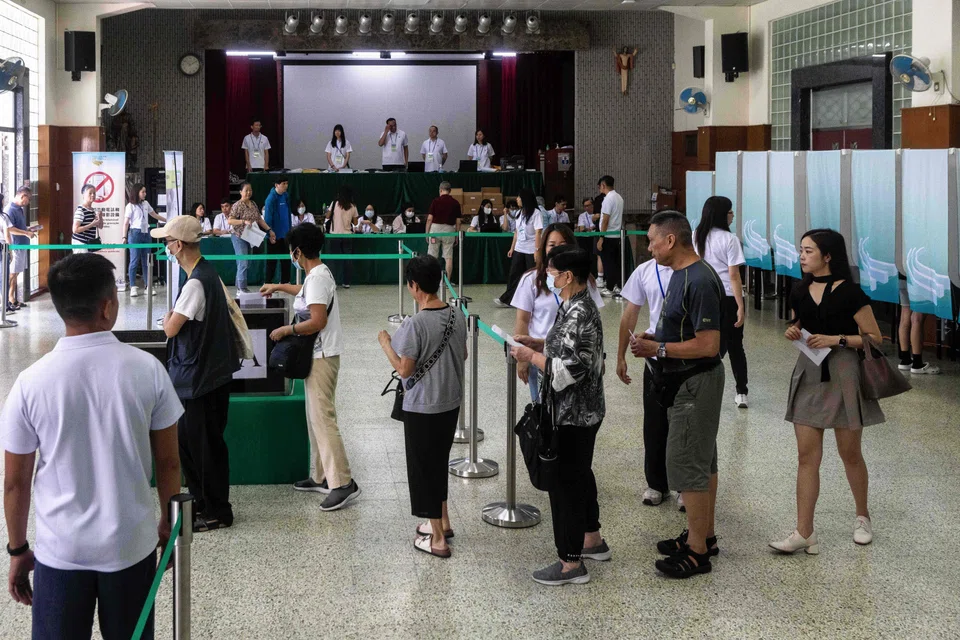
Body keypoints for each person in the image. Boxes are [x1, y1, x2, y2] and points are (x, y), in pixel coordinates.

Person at [1, 253, 183, 639]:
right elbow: (168, 463)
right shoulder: (148, 370)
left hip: (60, 552)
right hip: (130, 547)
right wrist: (168, 522)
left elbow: (15, 482)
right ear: (107, 307)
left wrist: (17, 551)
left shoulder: (30, 383)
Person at [770, 228, 885, 556]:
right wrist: (795, 330)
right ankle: (804, 530)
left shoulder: (851, 293)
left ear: (828, 256)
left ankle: (862, 516)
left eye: (808, 251)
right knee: (806, 455)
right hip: (809, 371)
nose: (802, 256)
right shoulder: (799, 290)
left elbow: (875, 338)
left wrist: (837, 339)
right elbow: (801, 323)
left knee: (850, 452)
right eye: (801, 250)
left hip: (843, 372)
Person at [629, 211, 725, 579]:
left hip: (694, 383)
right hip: (685, 380)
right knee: (703, 461)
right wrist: (659, 340)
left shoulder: (699, 279)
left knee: (688, 466)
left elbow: (708, 344)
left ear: (671, 241)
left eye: (652, 240)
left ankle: (697, 552)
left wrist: (660, 351)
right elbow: (682, 332)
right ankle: (704, 534)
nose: (649, 246)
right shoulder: (680, 276)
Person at [510, 245, 608, 586]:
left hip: (574, 415)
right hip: (573, 412)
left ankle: (570, 563)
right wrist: (538, 344)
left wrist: (529, 356)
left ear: (568, 276)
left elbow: (570, 370)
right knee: (576, 478)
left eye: (553, 272)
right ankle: (591, 540)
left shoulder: (582, 312)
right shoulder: (571, 306)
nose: (549, 277)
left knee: (565, 485)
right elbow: (564, 346)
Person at [260, 222, 362, 511]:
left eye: (293, 251)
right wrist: (279, 286)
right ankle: (320, 475)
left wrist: (287, 330)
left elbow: (318, 321)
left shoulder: (317, 278)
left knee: (323, 418)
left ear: (298, 251)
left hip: (321, 356)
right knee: (314, 417)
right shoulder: (318, 273)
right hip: (317, 355)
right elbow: (305, 291)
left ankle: (342, 483)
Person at [153, 216, 242, 532]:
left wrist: (167, 320)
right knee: (193, 444)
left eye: (167, 242)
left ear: (178, 246)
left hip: (201, 381)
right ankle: (203, 503)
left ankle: (218, 510)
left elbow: (172, 327)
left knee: (205, 448)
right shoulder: (206, 273)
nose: (165, 246)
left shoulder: (195, 283)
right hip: (205, 377)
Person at [378, 255, 467, 559]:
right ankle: (443, 520)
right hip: (450, 401)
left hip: (422, 407)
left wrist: (386, 343)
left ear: (414, 286)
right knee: (438, 461)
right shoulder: (458, 315)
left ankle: (438, 539)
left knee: (422, 469)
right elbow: (463, 355)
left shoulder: (415, 324)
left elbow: (405, 370)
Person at [513, 223, 605, 402]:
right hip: (542, 358)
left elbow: (594, 328)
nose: (557, 250)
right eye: (552, 245)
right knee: (543, 410)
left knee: (567, 411)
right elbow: (522, 320)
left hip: (572, 363)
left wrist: (599, 357)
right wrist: (526, 357)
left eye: (563, 244)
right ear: (544, 248)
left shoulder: (585, 285)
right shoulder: (531, 280)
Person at [617, 257, 674, 507]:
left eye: (653, 240)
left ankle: (684, 485)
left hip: (685, 356)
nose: (649, 246)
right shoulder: (645, 270)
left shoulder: (694, 269)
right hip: (655, 357)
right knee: (654, 423)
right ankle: (656, 483)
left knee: (683, 427)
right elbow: (631, 312)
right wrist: (620, 355)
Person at [694, 196, 749, 408]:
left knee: (705, 341)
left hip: (703, 295)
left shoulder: (695, 236)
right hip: (727, 297)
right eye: (730, 212)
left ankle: (701, 385)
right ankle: (741, 391)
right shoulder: (730, 239)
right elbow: (734, 275)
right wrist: (741, 305)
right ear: (721, 215)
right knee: (735, 344)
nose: (732, 215)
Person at [494, 187, 542, 308]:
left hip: (531, 249)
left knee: (531, 276)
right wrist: (512, 248)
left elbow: (538, 233)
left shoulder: (536, 213)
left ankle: (535, 300)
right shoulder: (520, 213)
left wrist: (537, 250)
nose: (517, 199)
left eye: (519, 197)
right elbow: (516, 232)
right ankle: (508, 300)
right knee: (514, 275)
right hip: (519, 248)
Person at [227, 182, 275, 293]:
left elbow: (259, 219)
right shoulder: (237, 205)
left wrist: (269, 230)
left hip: (250, 236)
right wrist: (243, 221)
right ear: (240, 192)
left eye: (250, 190)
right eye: (246, 190)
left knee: (245, 262)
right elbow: (230, 220)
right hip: (238, 236)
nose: (248, 193)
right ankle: (241, 288)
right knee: (243, 261)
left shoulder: (253, 203)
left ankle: (239, 285)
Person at [122, 183, 165, 297]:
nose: (145, 194)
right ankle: (132, 286)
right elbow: (126, 223)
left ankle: (148, 286)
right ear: (137, 192)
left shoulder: (146, 203)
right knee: (134, 260)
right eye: (143, 192)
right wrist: (124, 237)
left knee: (147, 261)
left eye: (145, 191)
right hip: (134, 233)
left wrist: (167, 219)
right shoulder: (130, 206)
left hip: (146, 233)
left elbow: (154, 214)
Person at [897, 276, 941, 375]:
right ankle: (917, 364)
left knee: (905, 315)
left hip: (901, 276)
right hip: (919, 278)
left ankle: (905, 360)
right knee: (917, 317)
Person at [425, 181, 462, 280]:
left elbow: (429, 219)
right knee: (448, 257)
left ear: (440, 190)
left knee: (432, 257)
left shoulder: (435, 201)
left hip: (435, 230)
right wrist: (456, 235)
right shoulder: (456, 203)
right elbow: (458, 222)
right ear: (450, 191)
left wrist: (427, 233)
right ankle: (448, 281)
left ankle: (431, 279)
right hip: (450, 230)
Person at [596, 176, 624, 297]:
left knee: (608, 263)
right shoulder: (619, 198)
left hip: (608, 235)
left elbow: (605, 219)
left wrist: (601, 237)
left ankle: (610, 287)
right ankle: (617, 285)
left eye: (600, 186)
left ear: (603, 185)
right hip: (617, 235)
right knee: (615, 262)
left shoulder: (608, 199)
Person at [263, 177, 292, 285]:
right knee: (272, 261)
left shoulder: (286, 196)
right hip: (274, 235)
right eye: (283, 184)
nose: (286, 186)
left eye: (287, 183)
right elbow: (268, 218)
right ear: (276, 185)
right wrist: (270, 232)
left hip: (285, 235)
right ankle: (268, 283)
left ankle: (285, 282)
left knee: (286, 260)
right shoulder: (270, 199)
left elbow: (288, 215)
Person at [329, 185, 359, 288]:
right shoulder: (353, 206)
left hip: (334, 235)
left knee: (333, 260)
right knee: (347, 260)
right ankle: (346, 282)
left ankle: (333, 282)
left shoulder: (334, 204)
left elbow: (328, 216)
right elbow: (355, 222)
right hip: (347, 235)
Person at [72, 183, 102, 253]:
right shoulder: (81, 210)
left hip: (89, 244)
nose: (93, 195)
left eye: (94, 193)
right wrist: (92, 224)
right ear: (83, 194)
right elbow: (75, 229)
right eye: (90, 193)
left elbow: (100, 226)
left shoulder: (93, 210)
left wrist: (100, 217)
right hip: (80, 244)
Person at [577, 197, 603, 277]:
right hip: (586, 239)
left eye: (589, 205)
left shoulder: (598, 214)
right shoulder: (582, 216)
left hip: (596, 237)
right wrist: (591, 228)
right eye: (585, 206)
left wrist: (589, 228)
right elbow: (581, 229)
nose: (587, 208)